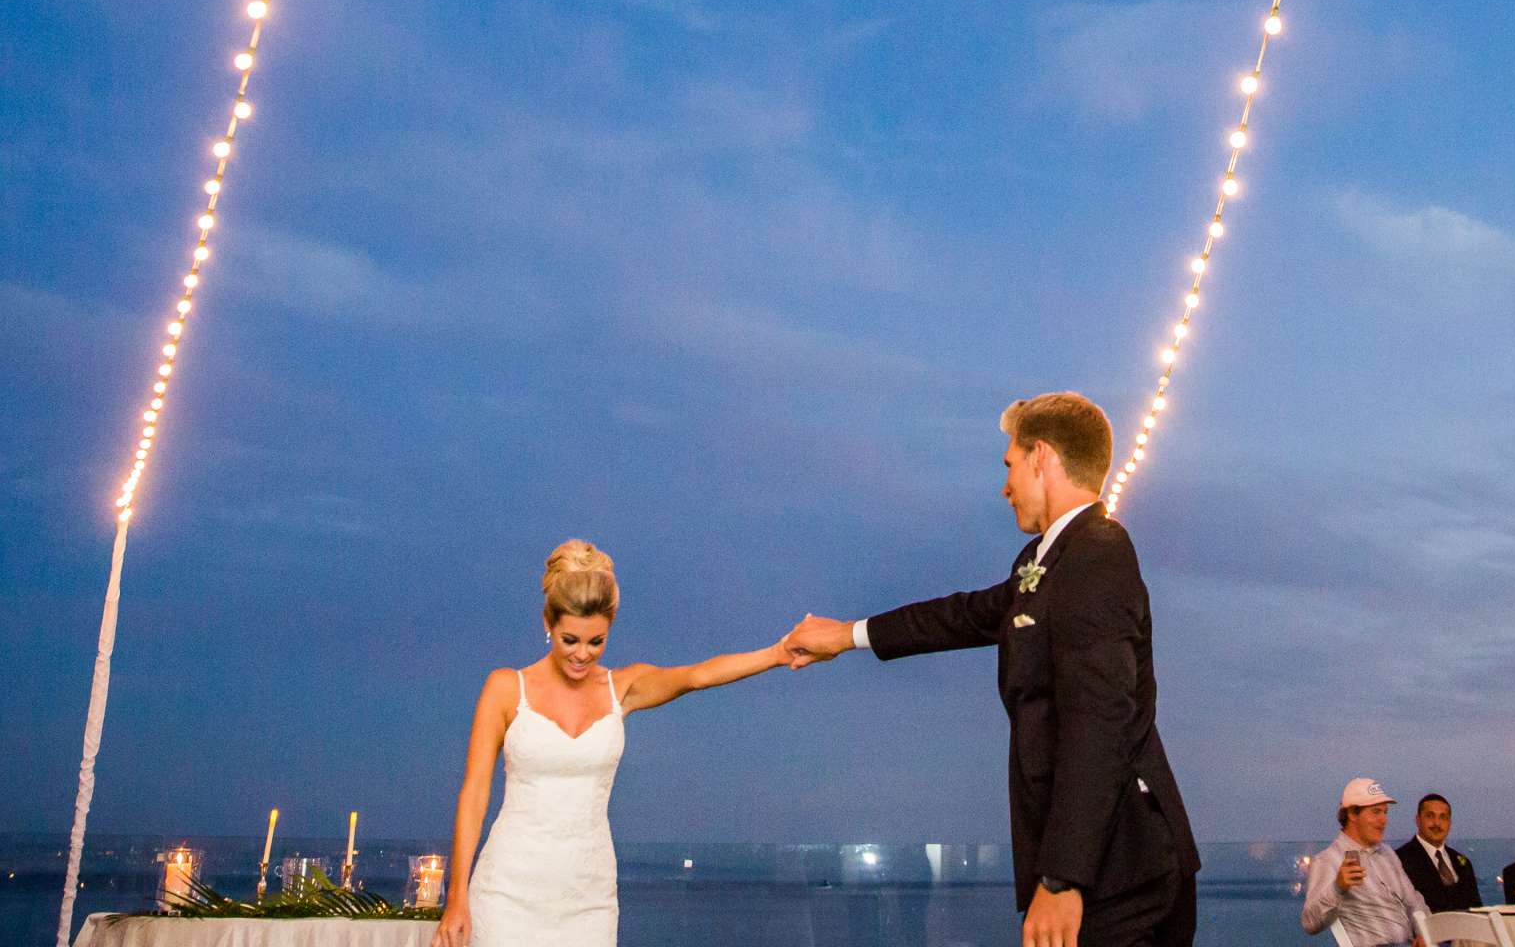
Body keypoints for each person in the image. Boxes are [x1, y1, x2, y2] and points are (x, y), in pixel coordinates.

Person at [784, 393, 1201, 947]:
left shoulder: (1098, 553)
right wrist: (848, 635)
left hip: (1121, 868)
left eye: (1009, 465)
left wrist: (1064, 879)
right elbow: (965, 615)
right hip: (1100, 866)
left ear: (1041, 457)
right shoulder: (1042, 563)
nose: (1004, 487)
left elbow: (1100, 720)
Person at [432, 540, 805, 947]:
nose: (581, 655)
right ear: (547, 623)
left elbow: (697, 676)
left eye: (596, 642)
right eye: (569, 640)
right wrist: (457, 899)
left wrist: (776, 652)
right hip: (506, 894)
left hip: (589, 900)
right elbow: (474, 793)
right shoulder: (505, 688)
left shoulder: (621, 688)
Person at [1302, 778, 1431, 947]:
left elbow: (1414, 902)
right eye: (1376, 812)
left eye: (1385, 812)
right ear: (1352, 814)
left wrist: (1424, 933)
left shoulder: (1387, 854)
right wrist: (1337, 887)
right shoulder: (1328, 861)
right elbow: (1310, 923)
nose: (1383, 820)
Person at [1395, 793, 1484, 914]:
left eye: (1443, 817)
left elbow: (1477, 909)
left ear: (1450, 823)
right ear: (1418, 820)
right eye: (1430, 816)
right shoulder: (1399, 860)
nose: (1437, 823)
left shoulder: (1463, 862)